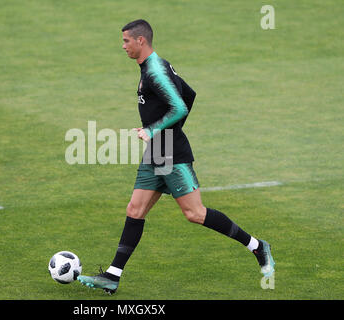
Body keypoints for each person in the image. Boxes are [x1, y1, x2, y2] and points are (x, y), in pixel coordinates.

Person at [77, 19, 275, 294]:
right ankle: (112, 276)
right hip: (158, 150)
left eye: (126, 41)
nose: (123, 46)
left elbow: (181, 105)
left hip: (172, 152)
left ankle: (258, 246)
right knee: (135, 210)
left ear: (140, 41)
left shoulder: (155, 70)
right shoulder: (153, 66)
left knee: (194, 213)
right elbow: (190, 94)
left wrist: (156, 129)